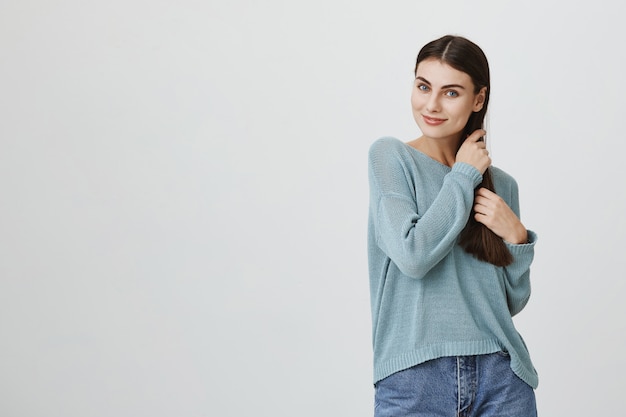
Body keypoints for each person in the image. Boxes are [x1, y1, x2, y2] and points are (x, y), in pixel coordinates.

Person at [367, 35, 538, 416]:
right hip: (414, 379)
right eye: (423, 86)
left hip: (501, 379)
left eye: (451, 92)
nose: (431, 104)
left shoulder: (502, 185)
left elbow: (511, 302)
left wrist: (518, 238)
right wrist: (462, 175)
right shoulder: (391, 157)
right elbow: (412, 254)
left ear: (478, 99)